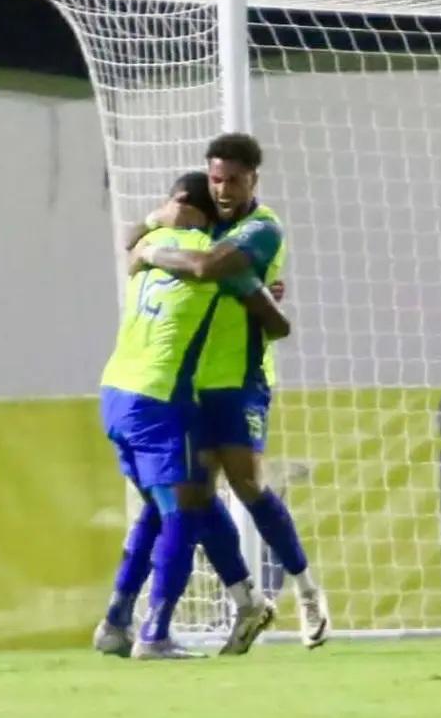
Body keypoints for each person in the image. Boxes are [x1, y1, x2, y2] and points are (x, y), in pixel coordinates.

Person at [138, 133, 331, 649]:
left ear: (254, 181)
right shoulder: (202, 217)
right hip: (190, 381)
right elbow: (129, 243)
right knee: (194, 497)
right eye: (217, 179)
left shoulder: (262, 229)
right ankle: (246, 601)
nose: (223, 190)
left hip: (241, 380)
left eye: (235, 181)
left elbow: (206, 267)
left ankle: (308, 591)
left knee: (247, 486)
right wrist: (158, 221)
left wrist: (155, 248)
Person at [92, 171, 286, 659]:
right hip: (161, 398)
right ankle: (155, 633)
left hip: (115, 392)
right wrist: (266, 294)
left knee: (166, 506)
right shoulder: (207, 258)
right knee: (183, 511)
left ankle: (116, 621)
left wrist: (152, 232)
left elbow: (130, 239)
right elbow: (271, 320)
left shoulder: (150, 240)